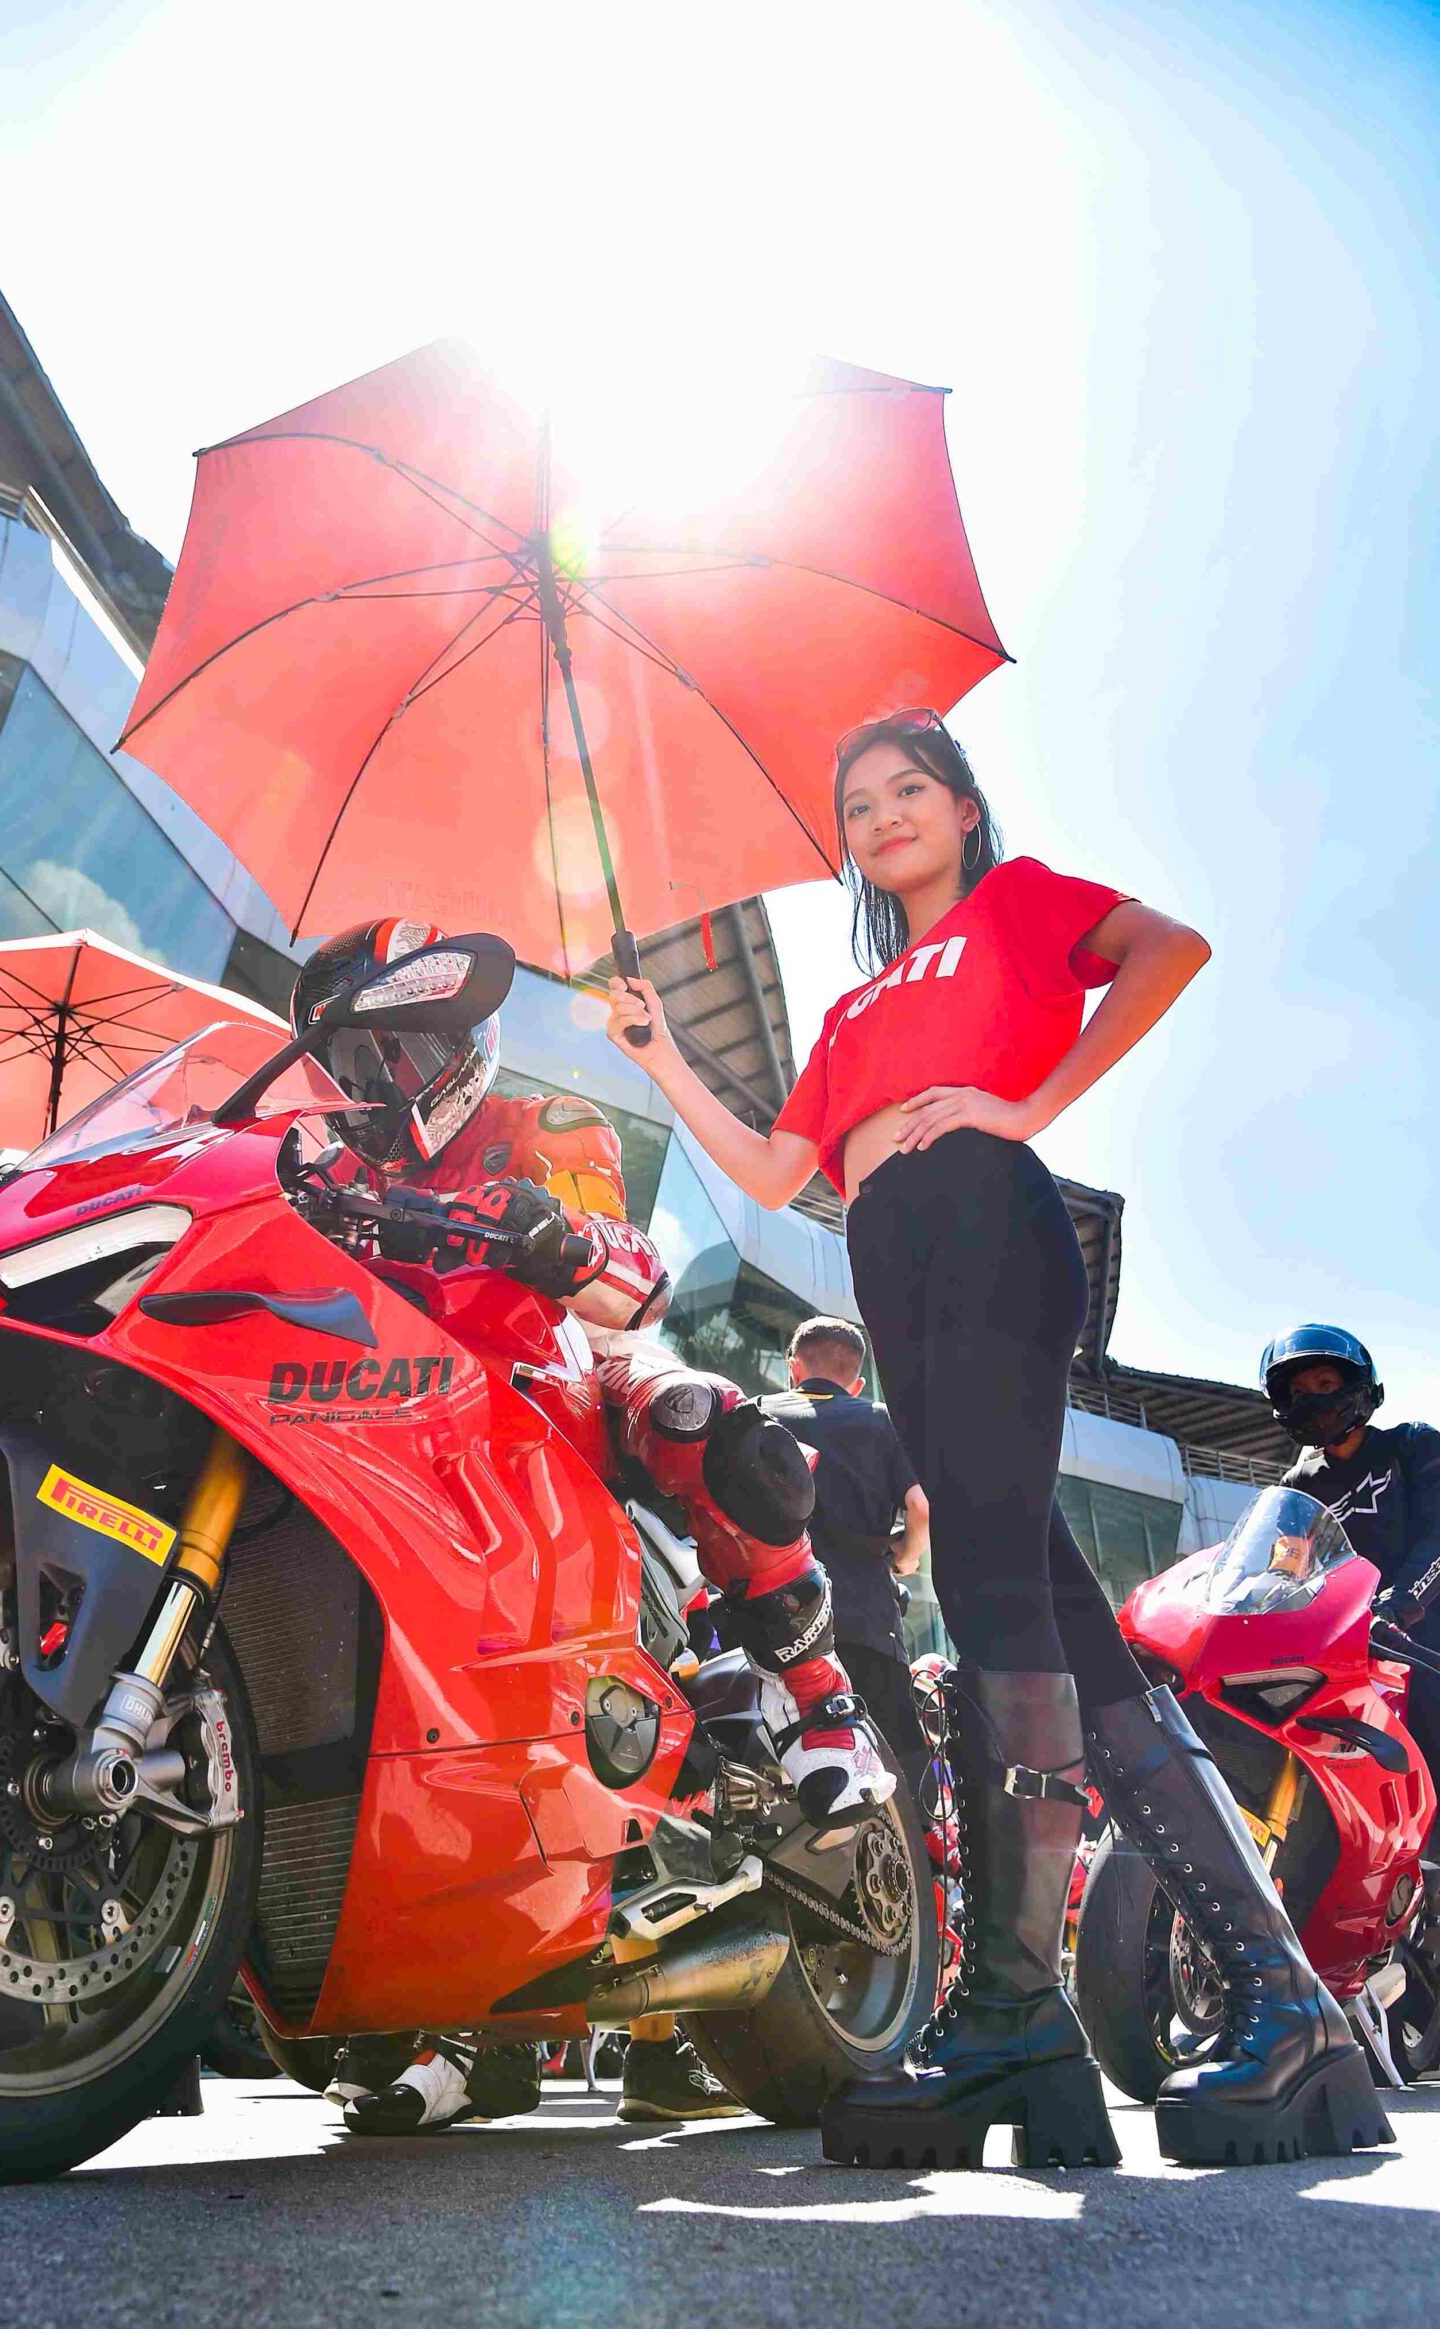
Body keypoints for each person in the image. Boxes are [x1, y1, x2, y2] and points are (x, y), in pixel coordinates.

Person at [607, 708, 1386, 2171]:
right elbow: (772, 1169)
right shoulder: (851, 1011)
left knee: (986, 1588)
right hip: (894, 1266)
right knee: (1050, 1606)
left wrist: (1027, 1106)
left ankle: (1021, 2010)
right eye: (859, 804)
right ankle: (1284, 2004)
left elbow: (1169, 950)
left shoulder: (1017, 906)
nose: (883, 816)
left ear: (964, 809)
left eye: (910, 788)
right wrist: (657, 1051)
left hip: (984, 1220)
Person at [285, 917, 889, 2132]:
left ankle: (824, 1704)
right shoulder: (325, 1166)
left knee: (696, 1412)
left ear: (463, 1041)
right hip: (383, 1420)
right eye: (357, 1064)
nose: (381, 1085)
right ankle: (463, 2028)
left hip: (547, 1377)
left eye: (403, 1052)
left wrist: (556, 1236)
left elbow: (630, 1279)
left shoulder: (545, 1125)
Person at [1262, 1325, 1440, 1779]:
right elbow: (1286, 1571)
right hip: (1353, 1653)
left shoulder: (1412, 1444)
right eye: (1298, 1392)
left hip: (1423, 1642)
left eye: (1324, 1383)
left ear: (1357, 1385)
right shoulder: (1297, 1487)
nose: (1311, 1399)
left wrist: (1398, 1603)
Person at [763, 1316, 931, 1790]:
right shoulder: (880, 1418)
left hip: (771, 1619)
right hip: (865, 1621)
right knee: (897, 1770)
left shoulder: (756, 1413)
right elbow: (921, 1506)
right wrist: (906, 1557)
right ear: (856, 1382)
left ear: (793, 1368)